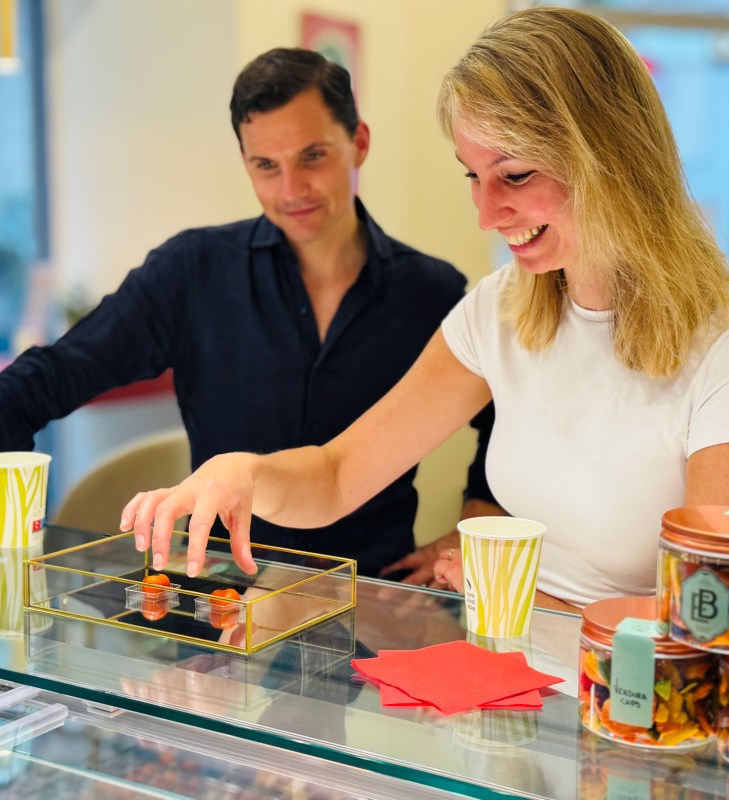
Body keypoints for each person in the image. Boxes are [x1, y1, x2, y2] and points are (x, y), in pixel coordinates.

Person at [121, 7, 729, 610]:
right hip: (504, 688)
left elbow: (717, 611)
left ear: (608, 157)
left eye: (515, 175)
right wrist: (244, 473)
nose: (485, 213)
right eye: (474, 175)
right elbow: (338, 473)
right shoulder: (500, 310)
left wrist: (523, 596)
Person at [0, 47, 501, 580]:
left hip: (375, 597)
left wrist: (473, 521)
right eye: (266, 165)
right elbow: (50, 377)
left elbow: (505, 415)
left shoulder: (430, 290)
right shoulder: (191, 272)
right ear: (245, 162)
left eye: (312, 157)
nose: (291, 191)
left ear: (358, 144)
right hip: (219, 596)